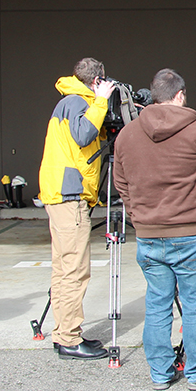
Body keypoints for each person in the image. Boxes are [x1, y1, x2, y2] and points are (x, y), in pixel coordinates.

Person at [113, 68, 196, 391]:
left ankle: (161, 373)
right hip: (193, 233)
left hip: (149, 236)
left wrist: (139, 216)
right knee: (194, 306)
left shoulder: (127, 135)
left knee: (157, 303)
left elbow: (120, 182)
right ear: (180, 95)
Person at [37, 57, 115, 361]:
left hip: (60, 192)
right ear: (96, 81)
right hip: (69, 196)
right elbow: (83, 136)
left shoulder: (70, 101)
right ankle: (69, 339)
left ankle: (65, 333)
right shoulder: (77, 102)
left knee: (62, 268)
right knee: (75, 270)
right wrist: (102, 102)